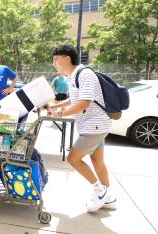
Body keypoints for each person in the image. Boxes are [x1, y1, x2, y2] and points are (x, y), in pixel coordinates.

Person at [48, 45, 116, 212]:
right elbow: (74, 99)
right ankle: (109, 198)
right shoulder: (73, 76)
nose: (54, 63)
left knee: (73, 159)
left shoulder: (84, 74)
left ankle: (100, 191)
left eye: (56, 59)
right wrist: (55, 106)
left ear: (67, 59)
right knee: (97, 161)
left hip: (95, 124)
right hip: (94, 124)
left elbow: (85, 102)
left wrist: (61, 114)